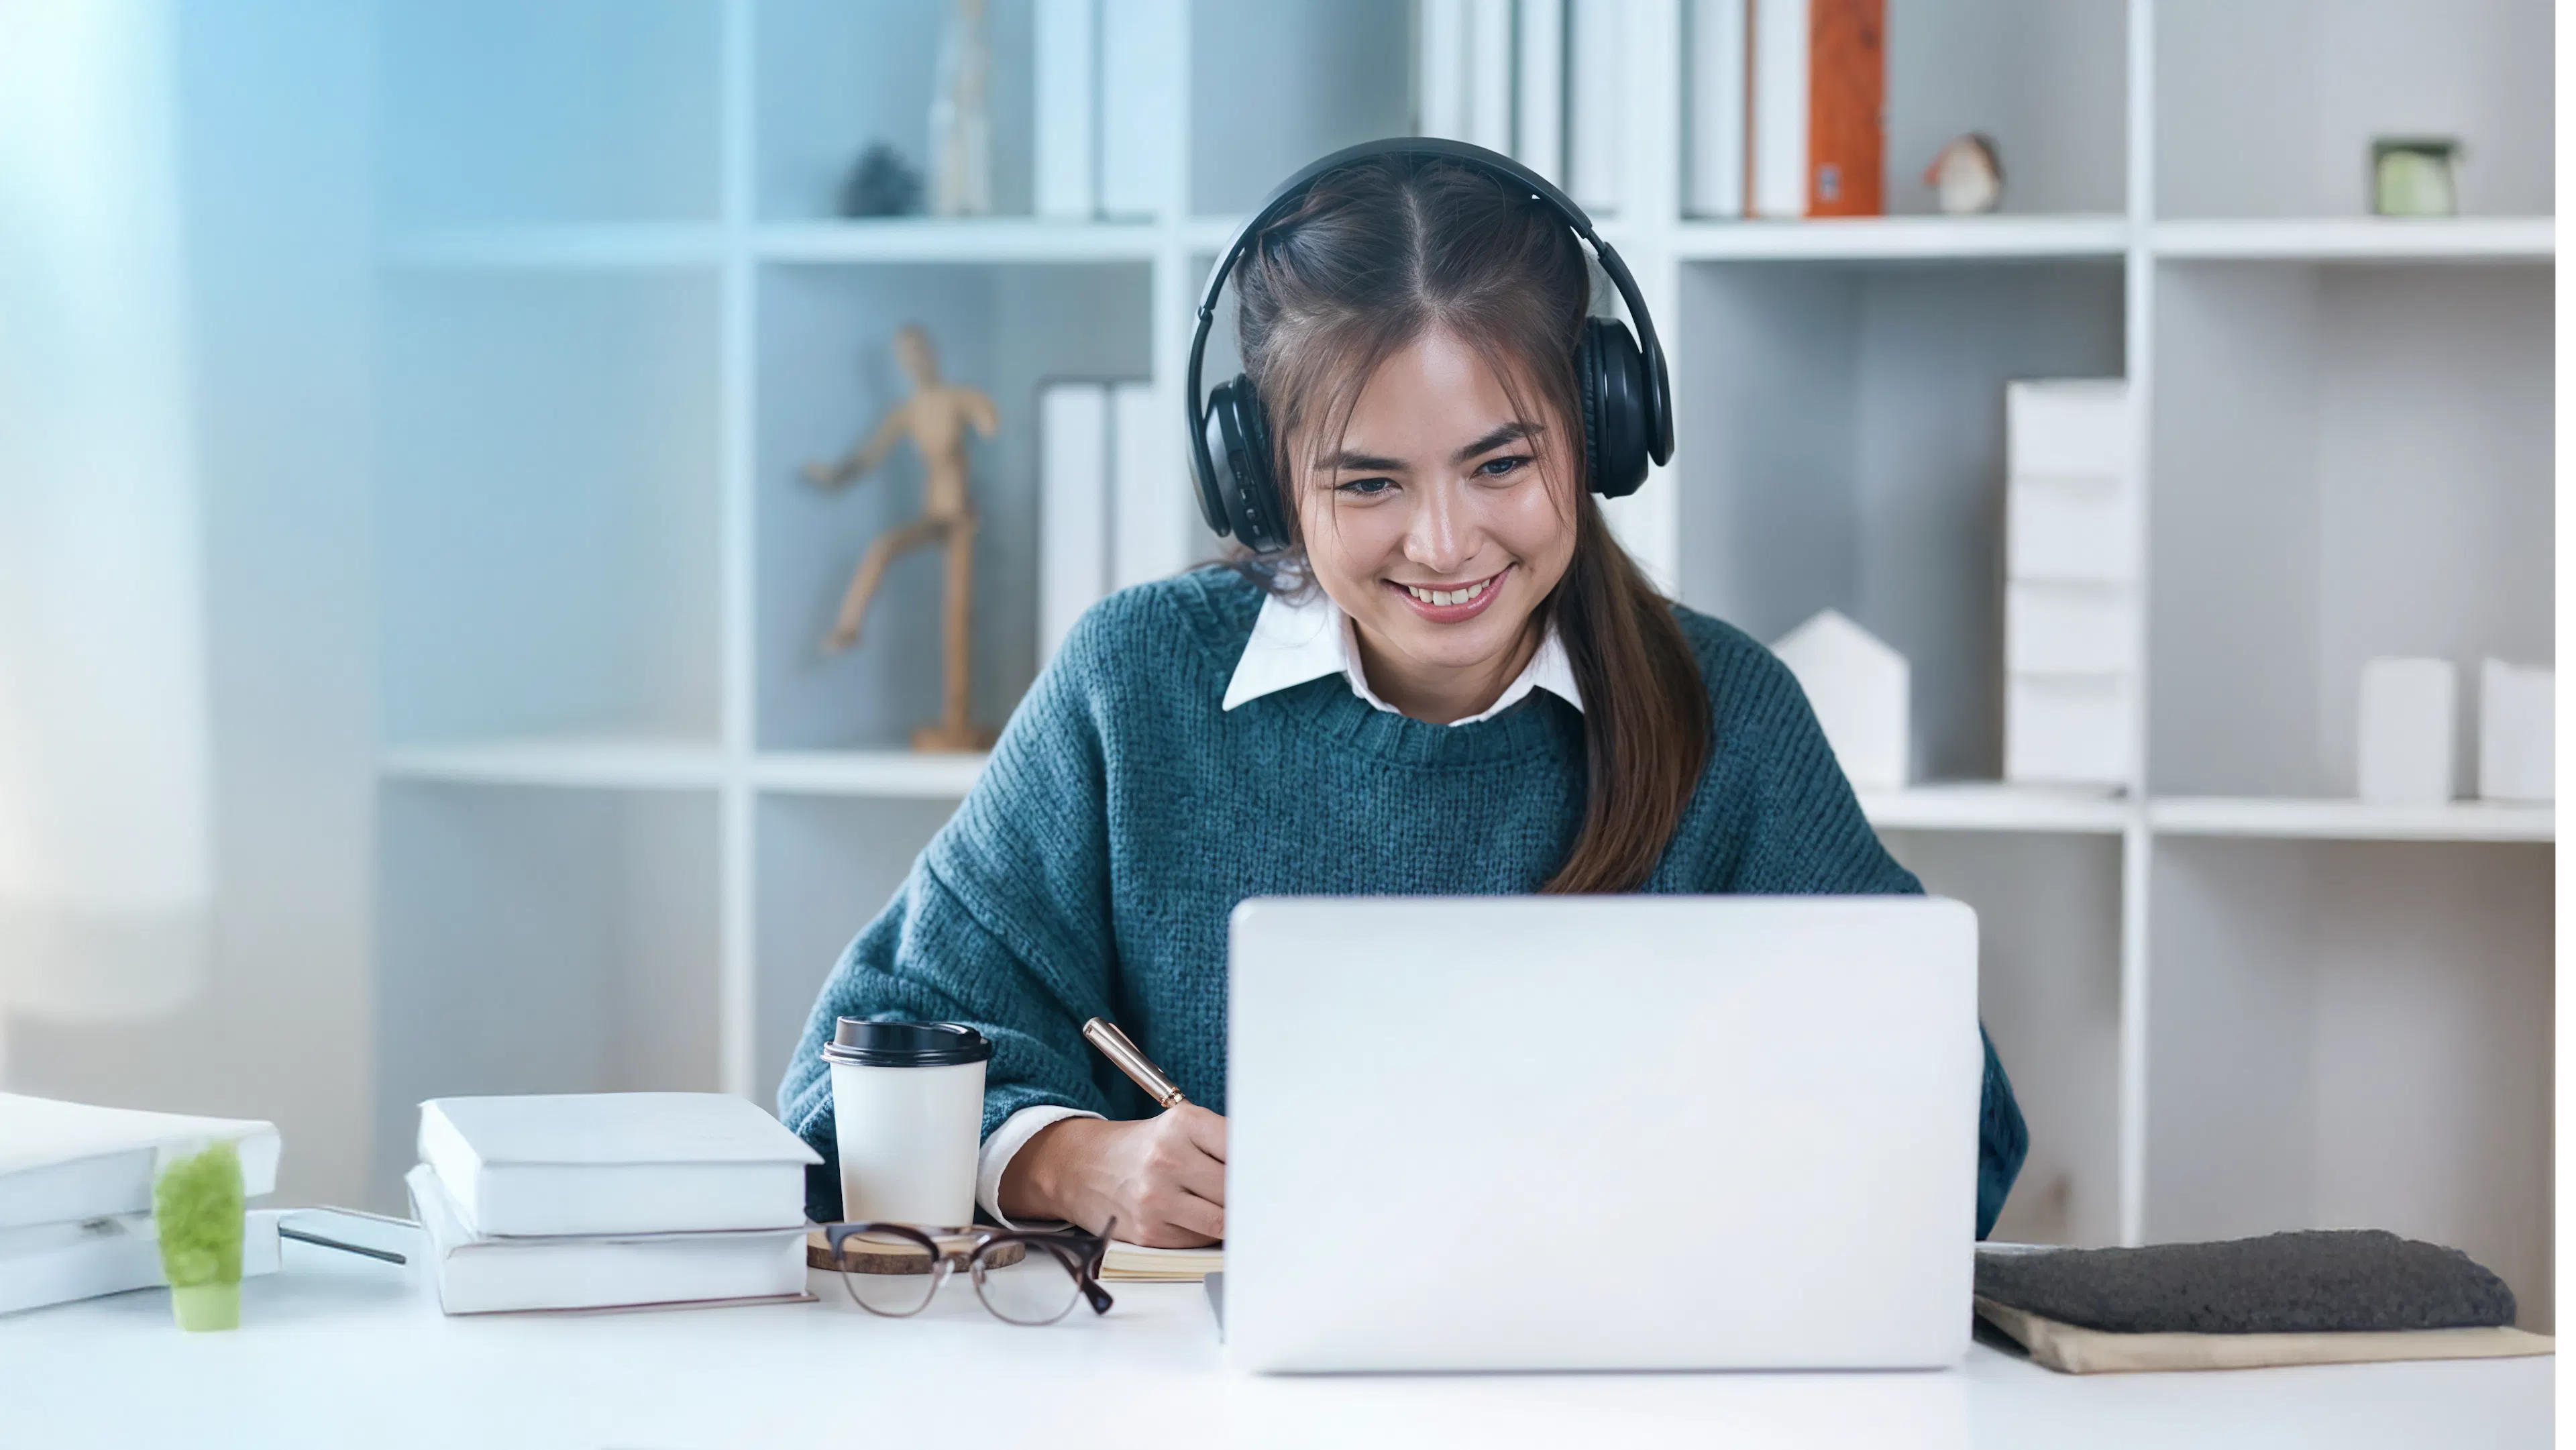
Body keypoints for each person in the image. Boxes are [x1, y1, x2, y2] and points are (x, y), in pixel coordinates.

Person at [779, 144, 2027, 1247]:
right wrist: (1072, 1162)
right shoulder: (1137, 681)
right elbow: (845, 1088)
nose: (1445, 543)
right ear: (1262, 483)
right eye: (1367, 484)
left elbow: (1955, 1135)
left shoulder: (1725, 712)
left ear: (1601, 429)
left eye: (1501, 463)